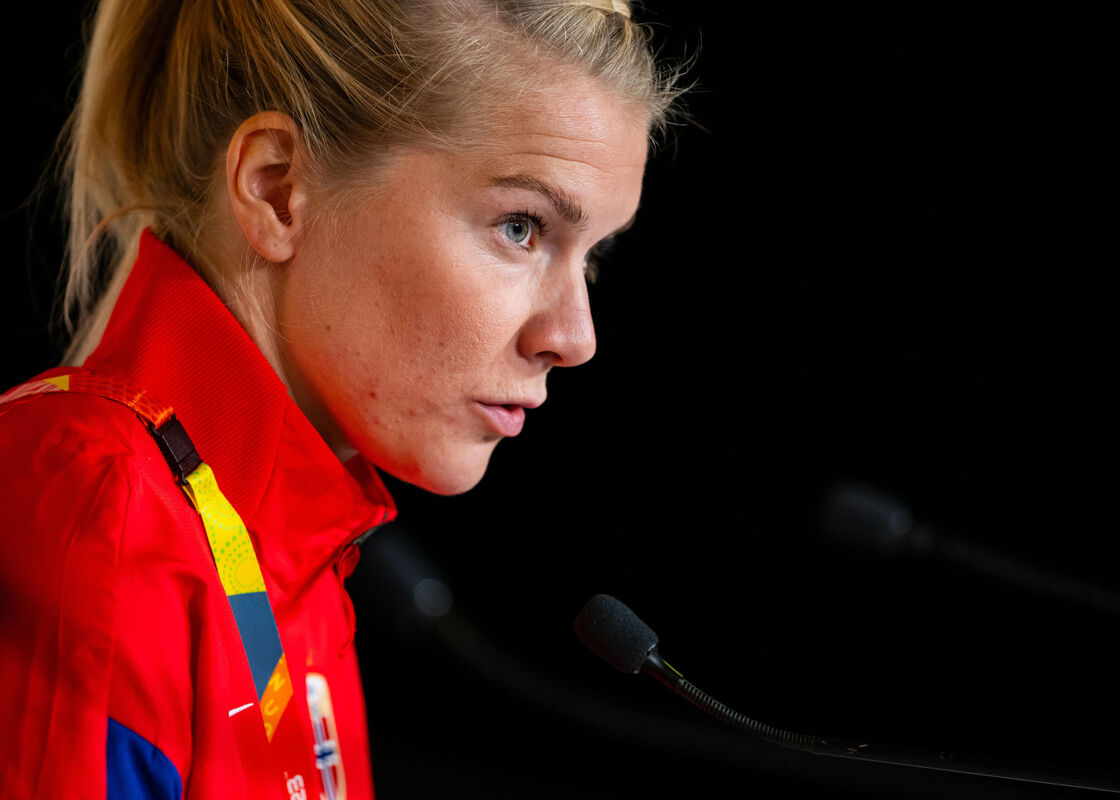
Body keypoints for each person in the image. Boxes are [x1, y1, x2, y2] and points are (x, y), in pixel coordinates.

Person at [0, 0, 683, 797]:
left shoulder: (287, 558)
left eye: (591, 258)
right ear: (279, 189)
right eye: (522, 229)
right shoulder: (97, 505)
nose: (575, 336)